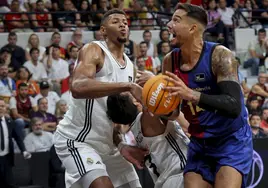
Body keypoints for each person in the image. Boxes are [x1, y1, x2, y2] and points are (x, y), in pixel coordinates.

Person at [53, 9, 147, 188]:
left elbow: (113, 119)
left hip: (108, 144)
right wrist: (127, 86)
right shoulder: (94, 50)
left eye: (125, 22)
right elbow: (78, 86)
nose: (122, 25)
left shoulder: (130, 68)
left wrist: (121, 145)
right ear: (103, 30)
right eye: (116, 21)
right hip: (78, 140)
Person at [162, 3, 252, 188]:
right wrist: (149, 95)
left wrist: (192, 94)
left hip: (230, 139)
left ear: (193, 28)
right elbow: (171, 113)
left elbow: (234, 106)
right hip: (200, 143)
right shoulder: (170, 61)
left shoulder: (220, 55)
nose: (169, 25)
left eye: (176, 20)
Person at [107, 92, 189, 188]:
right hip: (179, 176)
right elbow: (184, 122)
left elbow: (116, 129)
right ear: (136, 102)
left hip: (167, 181)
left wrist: (121, 145)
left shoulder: (135, 129)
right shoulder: (147, 118)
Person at [0, 98, 31, 188]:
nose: (0, 108)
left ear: (6, 108)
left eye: (2, 106)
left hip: (7, 158)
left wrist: (24, 150)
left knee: (10, 183)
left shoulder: (10, 122)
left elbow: (17, 138)